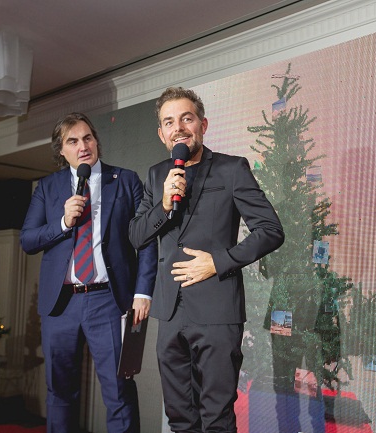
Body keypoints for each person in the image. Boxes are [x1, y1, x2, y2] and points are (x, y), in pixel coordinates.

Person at [129, 87, 285, 432]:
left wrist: (219, 261)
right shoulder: (157, 175)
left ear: (203, 124)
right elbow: (137, 236)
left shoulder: (231, 169)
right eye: (169, 122)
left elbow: (271, 230)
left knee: (216, 418)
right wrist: (164, 205)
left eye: (186, 118)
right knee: (180, 419)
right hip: (170, 314)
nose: (178, 128)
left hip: (217, 311)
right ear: (161, 134)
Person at [20, 112, 157, 433]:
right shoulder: (48, 187)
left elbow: (147, 241)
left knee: (119, 390)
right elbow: (27, 240)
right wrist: (62, 223)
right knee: (59, 392)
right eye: (73, 141)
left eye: (88, 138)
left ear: (96, 141)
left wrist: (142, 291)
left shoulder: (125, 180)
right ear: (61, 151)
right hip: (61, 304)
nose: (83, 146)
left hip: (108, 301)